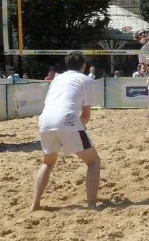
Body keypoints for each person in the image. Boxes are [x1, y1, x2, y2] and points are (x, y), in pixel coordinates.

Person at [32, 51, 101, 211]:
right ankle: (91, 205)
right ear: (83, 66)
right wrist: (78, 128)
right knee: (93, 162)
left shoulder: (56, 79)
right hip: (67, 118)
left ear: (67, 64)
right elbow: (86, 115)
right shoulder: (86, 80)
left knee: (47, 163)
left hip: (45, 120)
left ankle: (35, 205)